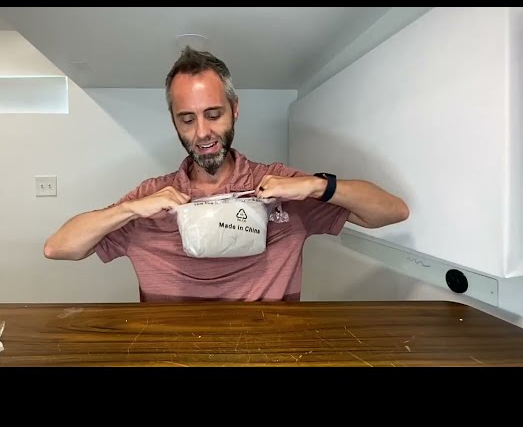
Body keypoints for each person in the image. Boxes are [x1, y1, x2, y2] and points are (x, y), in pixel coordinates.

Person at [44, 46, 409, 302]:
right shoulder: (152, 196)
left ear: (234, 110)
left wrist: (314, 185)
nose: (202, 133)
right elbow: (58, 248)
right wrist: (129, 210)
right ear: (174, 121)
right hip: (171, 351)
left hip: (268, 351)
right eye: (187, 119)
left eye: (213, 114)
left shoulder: (281, 184)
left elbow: (392, 212)